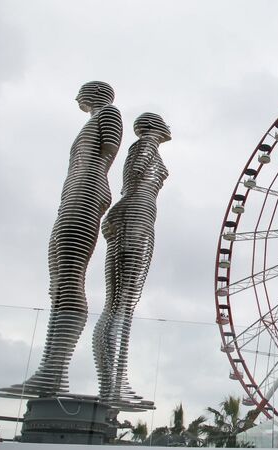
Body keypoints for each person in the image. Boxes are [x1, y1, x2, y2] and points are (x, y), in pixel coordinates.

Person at [0, 81, 122, 398]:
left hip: (88, 189)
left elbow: (107, 153)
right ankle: (49, 370)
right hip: (74, 191)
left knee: (68, 278)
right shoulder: (94, 119)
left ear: (92, 95)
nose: (78, 97)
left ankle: (53, 372)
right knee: (58, 282)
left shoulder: (109, 114)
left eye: (83, 92)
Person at [92, 113, 170, 410]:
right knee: (120, 305)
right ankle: (111, 385)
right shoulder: (145, 145)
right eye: (162, 122)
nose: (168, 127)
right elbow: (134, 181)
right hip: (135, 216)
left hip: (139, 215)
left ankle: (116, 383)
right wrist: (118, 215)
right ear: (153, 127)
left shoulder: (147, 147)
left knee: (122, 305)